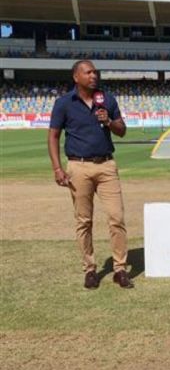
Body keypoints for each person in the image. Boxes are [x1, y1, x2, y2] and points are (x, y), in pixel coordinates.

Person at [47, 60, 133, 290]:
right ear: (76, 77)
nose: (93, 75)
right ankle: (90, 270)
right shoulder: (64, 103)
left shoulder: (107, 100)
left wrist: (109, 120)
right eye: (88, 72)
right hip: (78, 167)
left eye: (95, 72)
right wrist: (57, 168)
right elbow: (53, 136)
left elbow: (122, 131)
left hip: (106, 166)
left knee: (117, 218)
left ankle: (120, 269)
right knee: (84, 221)